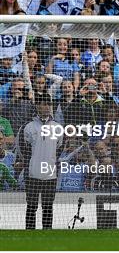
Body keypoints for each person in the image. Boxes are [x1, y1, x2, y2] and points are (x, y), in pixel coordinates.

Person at [21, 94, 63, 229]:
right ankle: (29, 232)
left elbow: (59, 149)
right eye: (41, 103)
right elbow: (24, 149)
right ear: (36, 105)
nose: (44, 106)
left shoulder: (58, 128)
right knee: (31, 207)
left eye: (47, 103)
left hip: (50, 174)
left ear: (50, 106)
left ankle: (47, 232)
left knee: (48, 207)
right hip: (33, 174)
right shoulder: (29, 127)